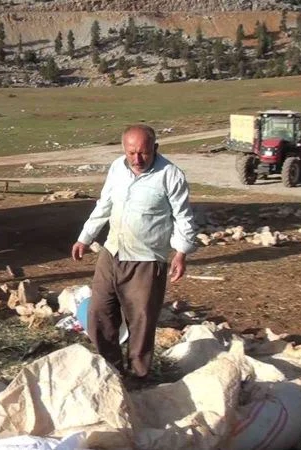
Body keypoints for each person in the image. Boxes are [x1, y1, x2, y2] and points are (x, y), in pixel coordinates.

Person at [71, 124, 196, 378]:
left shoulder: (171, 175)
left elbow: (183, 217)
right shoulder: (117, 167)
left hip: (147, 260)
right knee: (99, 313)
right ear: (123, 150)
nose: (137, 159)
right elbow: (104, 204)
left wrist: (181, 252)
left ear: (155, 149)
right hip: (112, 252)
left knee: (141, 322)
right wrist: (85, 237)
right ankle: (111, 370)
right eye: (131, 153)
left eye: (143, 153)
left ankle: (138, 376)